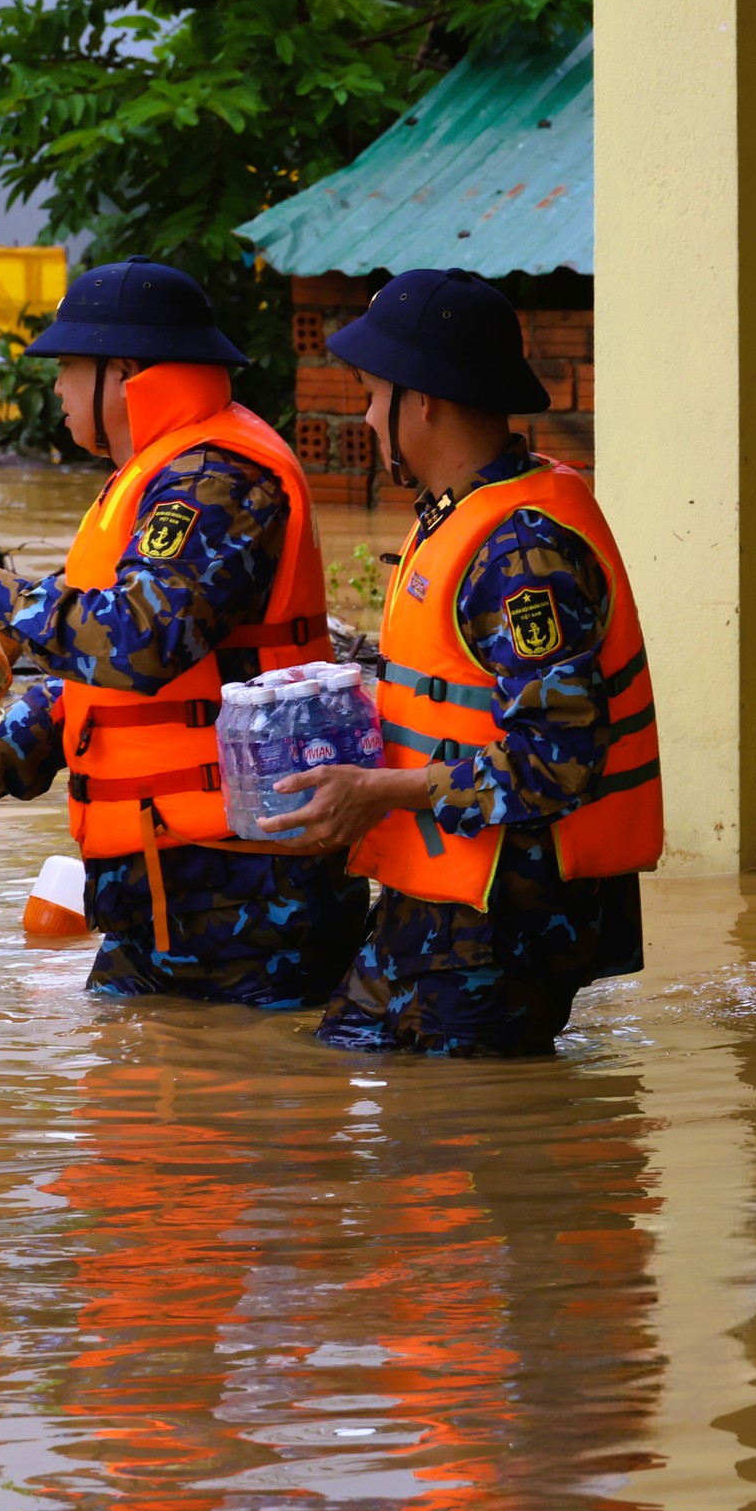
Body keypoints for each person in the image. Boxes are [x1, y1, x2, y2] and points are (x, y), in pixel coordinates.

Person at [0, 258, 365, 1006]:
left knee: (225, 1112)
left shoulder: (218, 481)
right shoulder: (150, 480)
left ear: (125, 372)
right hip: (170, 884)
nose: (57, 387)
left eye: (70, 366)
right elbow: (90, 692)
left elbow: (138, 643)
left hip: (240, 886)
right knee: (126, 1111)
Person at [254, 269, 662, 1056]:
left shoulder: (520, 552)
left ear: (425, 400)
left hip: (500, 920)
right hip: (443, 898)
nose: (369, 416)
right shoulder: (460, 518)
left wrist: (378, 791)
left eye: (374, 394)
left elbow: (558, 759)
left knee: (463, 1154)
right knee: (340, 1084)